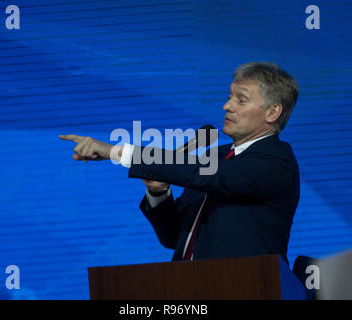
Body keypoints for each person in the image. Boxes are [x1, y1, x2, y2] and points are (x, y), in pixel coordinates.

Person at [59, 62, 300, 264]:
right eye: (229, 97)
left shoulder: (277, 160)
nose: (227, 106)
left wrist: (114, 151)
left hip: (248, 288)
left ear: (272, 112)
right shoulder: (215, 156)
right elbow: (173, 236)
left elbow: (206, 173)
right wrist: (159, 191)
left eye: (241, 100)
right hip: (185, 290)